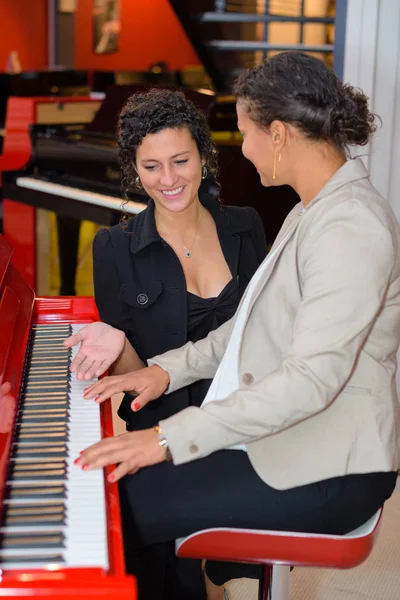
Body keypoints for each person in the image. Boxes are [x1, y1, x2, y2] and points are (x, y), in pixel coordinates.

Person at [65, 52, 400, 600]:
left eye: (244, 134)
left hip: (330, 465)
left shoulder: (349, 228)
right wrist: (162, 373)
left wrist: (167, 437)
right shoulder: (313, 210)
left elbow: (308, 383)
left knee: (119, 508)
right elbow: (249, 326)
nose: (241, 149)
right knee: (118, 492)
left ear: (279, 134)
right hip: (295, 436)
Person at [64, 88, 267, 598]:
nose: (169, 179)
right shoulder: (113, 249)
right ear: (134, 170)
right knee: (127, 518)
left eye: (180, 160)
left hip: (245, 421)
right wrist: (114, 342)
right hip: (162, 430)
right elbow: (135, 384)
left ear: (203, 154)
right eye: (151, 166)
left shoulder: (247, 227)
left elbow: (266, 336)